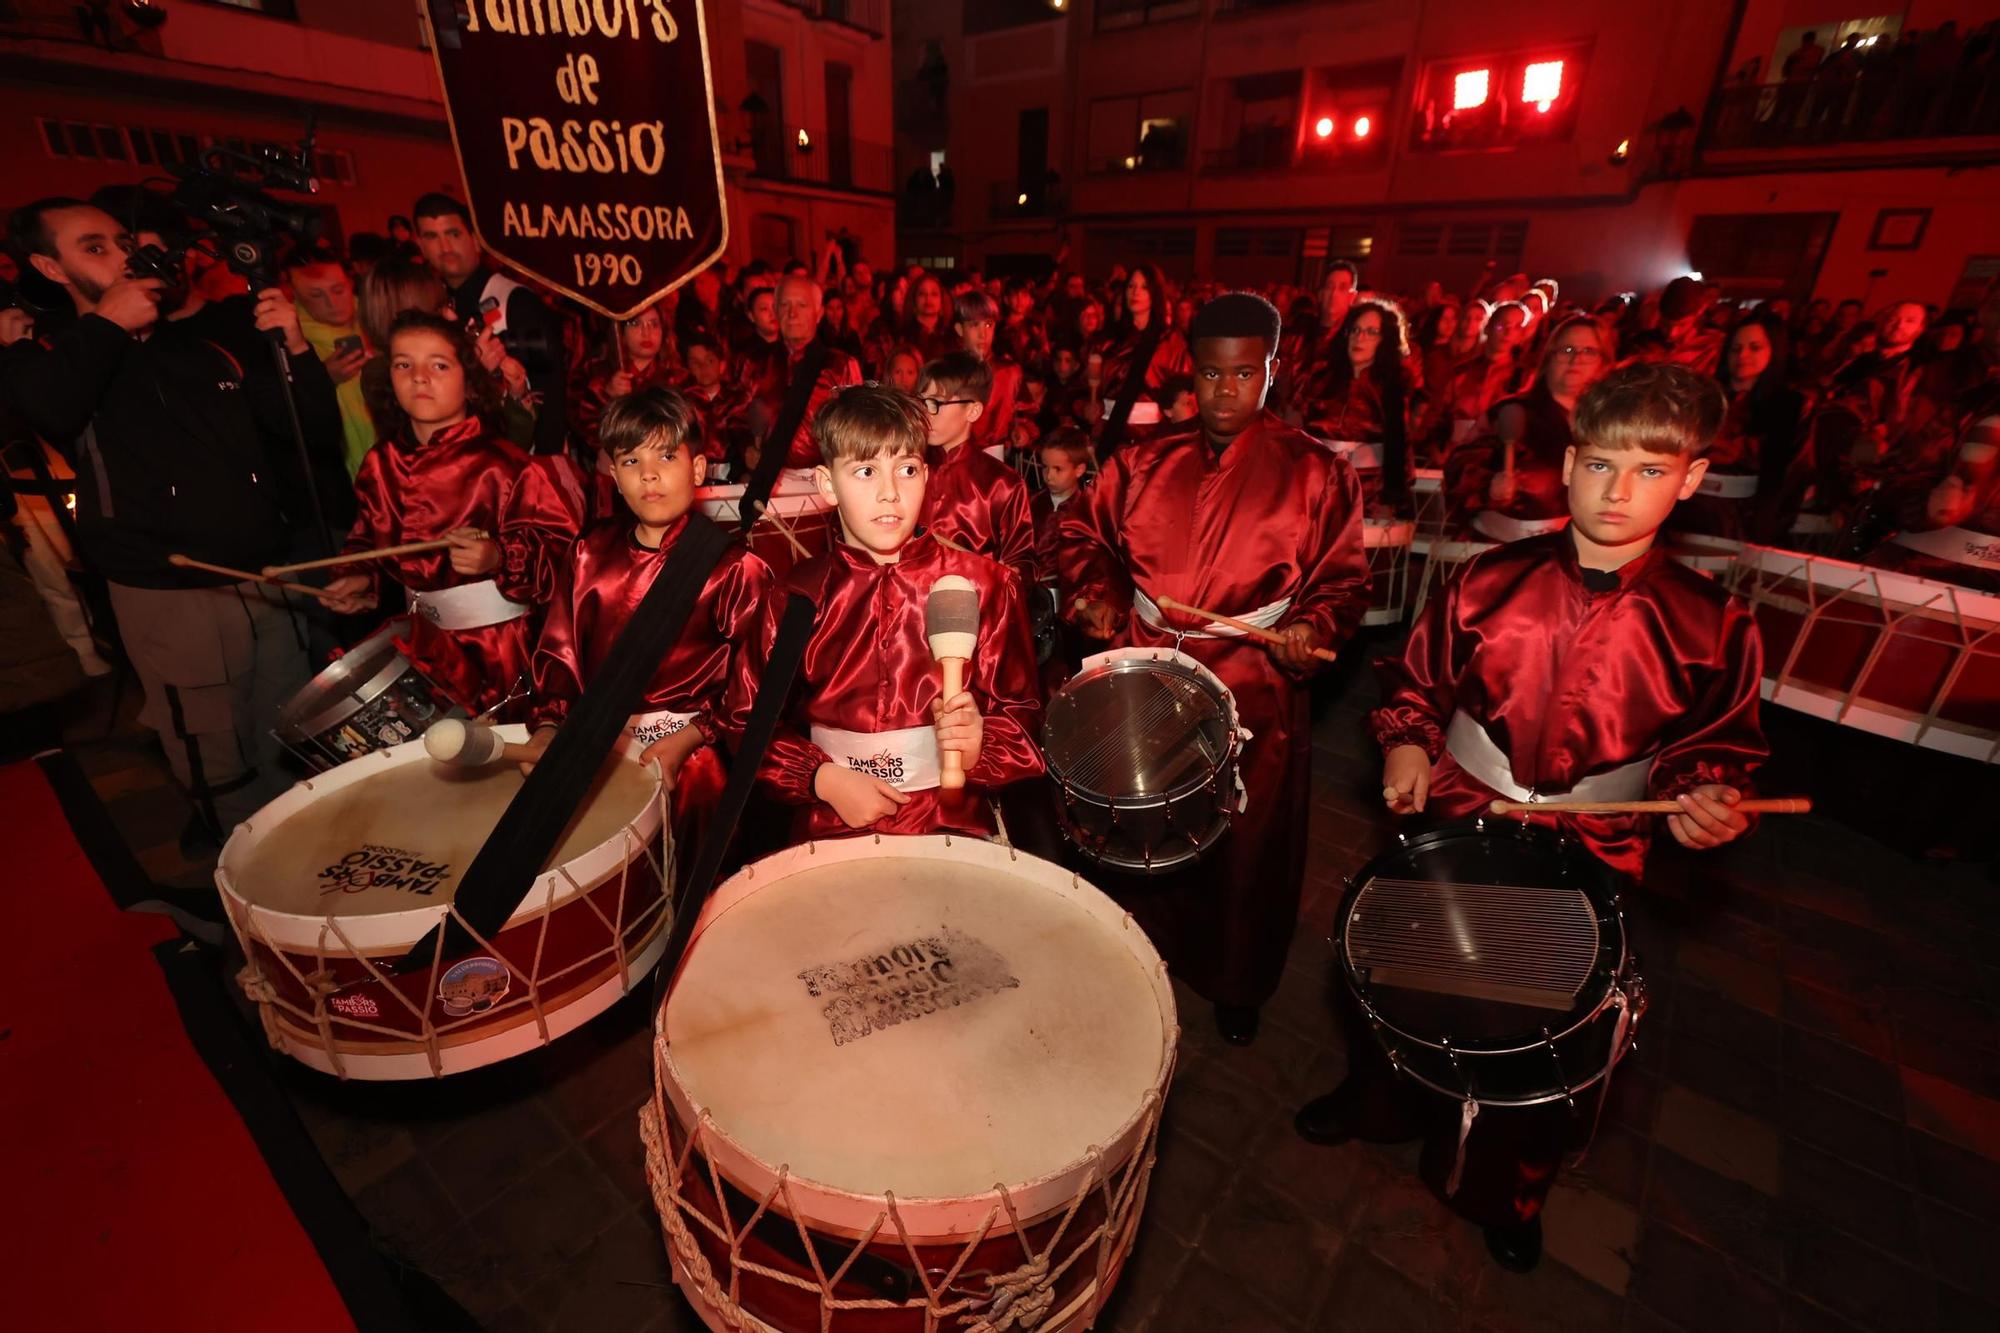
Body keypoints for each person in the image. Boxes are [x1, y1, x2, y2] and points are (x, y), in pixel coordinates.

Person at [1295, 362, 1767, 1273]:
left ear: (1693, 479)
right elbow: (1415, 685)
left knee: (1536, 1025)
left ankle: (1502, 1185)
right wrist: (1405, 741)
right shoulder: (1487, 578)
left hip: (1590, 850)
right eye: (1599, 466)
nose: (1618, 492)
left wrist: (1707, 799)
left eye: (1649, 472)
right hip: (1459, 817)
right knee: (1407, 978)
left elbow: (1715, 749)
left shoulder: (1715, 624)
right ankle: (1377, 1104)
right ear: (1568, 462)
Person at [1060, 291, 1369, 1046]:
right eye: (1208, 375)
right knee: (1135, 824)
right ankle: (1132, 959)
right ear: (1191, 375)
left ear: (1269, 372)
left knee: (1243, 842)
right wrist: (1097, 594)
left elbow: (1343, 580)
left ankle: (1237, 981)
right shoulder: (1140, 462)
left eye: (1241, 375)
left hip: (1252, 681)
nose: (1223, 391)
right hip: (1144, 664)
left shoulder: (1317, 473)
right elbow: (1081, 533)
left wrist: (1310, 625)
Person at [2, 198, 342, 838]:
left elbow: (310, 435)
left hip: (264, 581)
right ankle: (245, 900)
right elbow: (47, 409)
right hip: (168, 593)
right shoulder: (57, 359)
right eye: (94, 247)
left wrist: (295, 353)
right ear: (49, 266)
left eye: (123, 240)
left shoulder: (201, 348)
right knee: (217, 764)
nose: (124, 255)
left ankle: (316, 868)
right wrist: (106, 324)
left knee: (289, 743)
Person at [724, 383, 1043, 841]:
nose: (890, 492)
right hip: (832, 817)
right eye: (866, 471)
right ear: (827, 484)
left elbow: (1024, 719)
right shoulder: (797, 595)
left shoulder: (984, 585)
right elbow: (745, 720)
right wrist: (821, 778)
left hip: (948, 819)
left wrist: (982, 742)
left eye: (907, 469)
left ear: (928, 477)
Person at [520, 388, 773, 873]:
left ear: (697, 470)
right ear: (613, 476)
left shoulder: (734, 568)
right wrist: (550, 725)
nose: (649, 473)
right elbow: (560, 654)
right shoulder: (589, 553)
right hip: (600, 753)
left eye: (666, 455)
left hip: (694, 762)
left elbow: (754, 684)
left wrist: (694, 737)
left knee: (695, 891)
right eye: (631, 460)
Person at [321, 311, 532, 714]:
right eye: (404, 364)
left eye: (438, 365)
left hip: (497, 647)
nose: (419, 377)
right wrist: (359, 577)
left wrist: (499, 556)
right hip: (422, 643)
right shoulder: (380, 463)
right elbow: (368, 537)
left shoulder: (504, 465)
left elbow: (556, 551)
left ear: (469, 382)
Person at [411, 192, 569, 457]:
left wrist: (543, 470)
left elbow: (550, 395)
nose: (445, 246)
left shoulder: (515, 301)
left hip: (521, 462)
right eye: (432, 237)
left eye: (453, 234)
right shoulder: (431, 304)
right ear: (421, 246)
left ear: (475, 240)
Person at [1447, 314, 1611, 542]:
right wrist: (1488, 485)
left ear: (1603, 362)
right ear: (1548, 359)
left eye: (1589, 352)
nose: (1576, 360)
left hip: (1578, 556)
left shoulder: (1610, 424)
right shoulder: (1513, 411)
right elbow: (1459, 466)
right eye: (1567, 350)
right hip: (1505, 551)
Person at [1675, 309, 1809, 541]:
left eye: (1755, 347)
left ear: (1774, 351)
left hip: (1741, 518)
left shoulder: (1790, 405)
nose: (1743, 355)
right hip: (1685, 508)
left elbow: (1788, 476)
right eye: (1736, 348)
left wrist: (1766, 527)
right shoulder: (1703, 396)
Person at [916, 351, 1037, 592]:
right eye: (921, 401)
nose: (925, 412)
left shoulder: (1002, 483)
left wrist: (1012, 573)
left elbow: (1023, 558)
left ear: (973, 411)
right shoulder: (907, 468)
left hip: (972, 610)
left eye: (936, 403)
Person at [1298, 298, 1416, 513]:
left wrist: (1392, 498)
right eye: (1355, 329)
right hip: (1318, 485)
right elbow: (1299, 431)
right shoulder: (1321, 378)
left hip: (1369, 490)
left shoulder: (1393, 385)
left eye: (1371, 331)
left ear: (1385, 340)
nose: (1360, 337)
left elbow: (1399, 444)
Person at [740, 274, 863, 473]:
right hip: (769, 484)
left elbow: (858, 428)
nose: (792, 314)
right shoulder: (755, 363)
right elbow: (737, 419)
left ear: (819, 312)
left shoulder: (842, 366)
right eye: (784, 305)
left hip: (824, 482)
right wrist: (746, 448)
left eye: (802, 305)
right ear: (776, 310)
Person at [283, 247, 377, 476]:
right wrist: (322, 380)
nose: (332, 302)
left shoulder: (376, 318)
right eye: (316, 295)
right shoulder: (290, 342)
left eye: (338, 289)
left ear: (350, 282)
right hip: (339, 473)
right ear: (295, 295)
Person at [1093, 263, 1192, 447]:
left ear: (1155, 293)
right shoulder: (1109, 341)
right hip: (1109, 434)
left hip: (1152, 438)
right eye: (1131, 286)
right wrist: (1085, 405)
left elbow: (1184, 392)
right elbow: (1088, 384)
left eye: (1144, 287)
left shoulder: (1170, 341)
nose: (1135, 292)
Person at [572, 302, 678, 449]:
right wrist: (606, 396)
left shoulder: (679, 379)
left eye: (654, 324)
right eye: (635, 324)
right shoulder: (597, 371)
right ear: (621, 332)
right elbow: (583, 430)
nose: (646, 332)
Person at [951, 289, 1022, 452]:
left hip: (996, 456)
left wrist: (1022, 429)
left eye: (988, 325)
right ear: (960, 329)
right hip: (957, 455)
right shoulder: (949, 372)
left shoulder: (1009, 372)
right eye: (974, 325)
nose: (983, 334)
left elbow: (1023, 411)